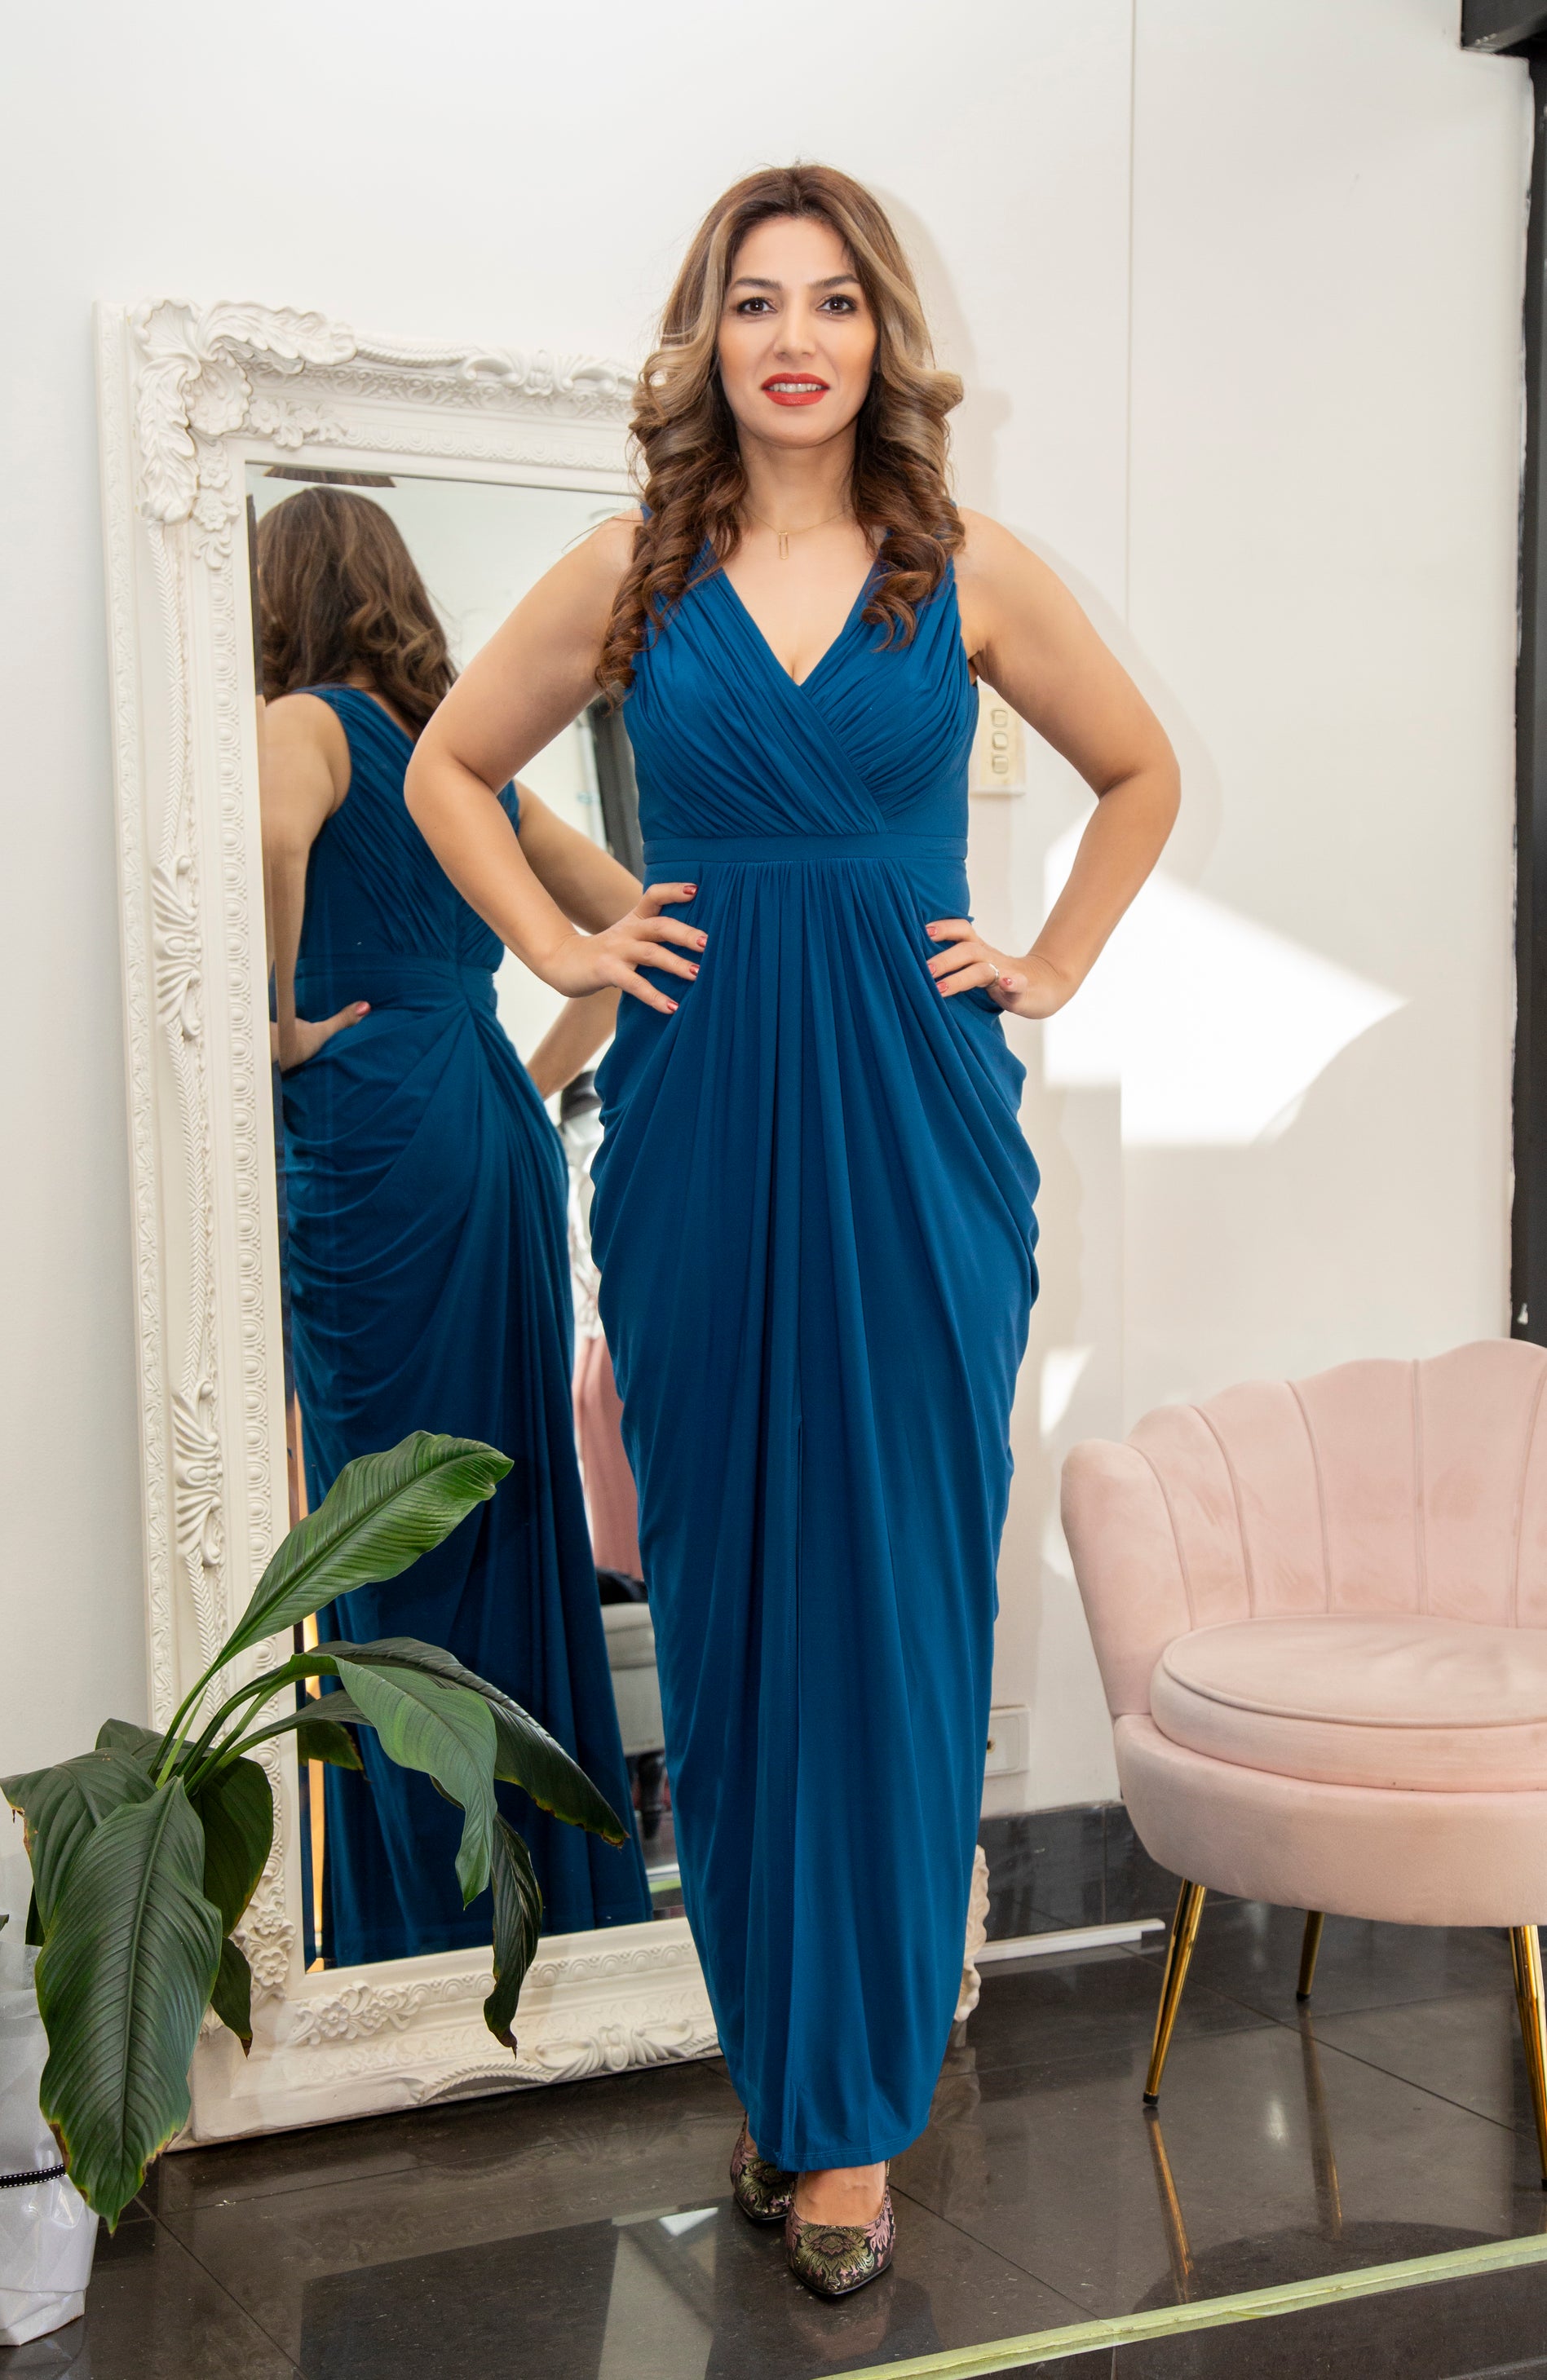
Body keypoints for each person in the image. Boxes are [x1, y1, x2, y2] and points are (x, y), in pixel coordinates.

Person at [404, 166, 1178, 2296]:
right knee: (736, 1613)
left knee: (906, 1604)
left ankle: (855, 2141)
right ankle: (790, 2083)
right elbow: (447, 776)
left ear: (875, 338)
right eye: (755, 302)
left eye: (833, 299)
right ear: (710, 339)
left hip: (919, 1136)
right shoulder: (628, 578)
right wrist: (569, 927)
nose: (795, 335)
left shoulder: (971, 569)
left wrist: (1048, 966)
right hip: (700, 1130)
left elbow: (1141, 775)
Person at [256, 485, 653, 1964]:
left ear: (278, 592)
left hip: (371, 1125)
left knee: (382, 1516)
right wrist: (526, 1075)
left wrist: (279, 1022)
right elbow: (624, 924)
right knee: (500, 1494)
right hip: (480, 1117)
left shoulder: (295, 719)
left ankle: (418, 1919)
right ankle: (544, 1901)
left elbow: (277, 850)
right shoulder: (463, 764)